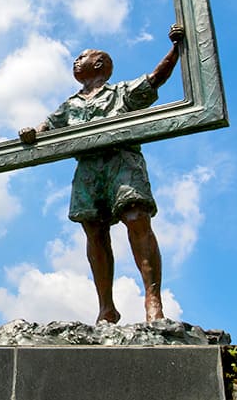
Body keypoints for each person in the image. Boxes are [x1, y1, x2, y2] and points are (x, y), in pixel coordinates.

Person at [19, 24, 185, 324]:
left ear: (98, 64)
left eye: (81, 56)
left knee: (136, 220)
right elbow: (47, 125)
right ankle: (106, 307)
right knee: (94, 231)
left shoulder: (120, 92)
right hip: (88, 170)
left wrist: (176, 49)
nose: (75, 60)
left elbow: (155, 79)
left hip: (122, 162)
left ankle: (152, 299)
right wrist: (34, 132)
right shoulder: (70, 104)